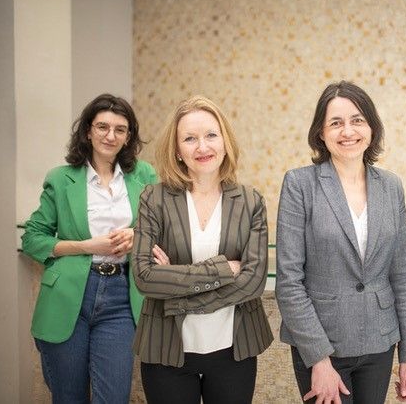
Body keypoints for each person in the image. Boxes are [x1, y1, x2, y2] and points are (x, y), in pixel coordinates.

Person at [276, 81, 406, 404]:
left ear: (371, 128)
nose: (348, 131)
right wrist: (319, 359)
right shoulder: (300, 184)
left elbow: (400, 275)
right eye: (336, 123)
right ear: (321, 132)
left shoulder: (391, 187)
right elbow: (289, 282)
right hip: (322, 345)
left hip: (379, 343)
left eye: (357, 120)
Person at [131, 95, 272, 404]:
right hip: (167, 349)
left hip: (234, 350)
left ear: (225, 141)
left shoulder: (250, 201)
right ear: (177, 150)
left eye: (211, 135)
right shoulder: (154, 199)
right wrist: (224, 269)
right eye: (190, 139)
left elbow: (253, 282)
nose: (202, 147)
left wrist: (176, 290)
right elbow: (144, 276)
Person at [22, 94, 157, 403]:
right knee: (69, 397)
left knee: (114, 397)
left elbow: (164, 227)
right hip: (68, 296)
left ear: (128, 137)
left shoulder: (145, 175)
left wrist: (137, 235)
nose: (111, 136)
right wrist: (86, 246)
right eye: (102, 127)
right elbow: (33, 238)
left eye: (120, 129)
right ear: (87, 131)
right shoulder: (61, 178)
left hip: (122, 296)